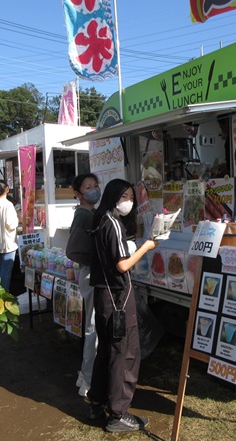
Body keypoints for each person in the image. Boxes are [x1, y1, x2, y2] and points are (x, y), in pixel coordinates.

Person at [86, 179, 157, 433]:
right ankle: (118, 413)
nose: (129, 201)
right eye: (125, 196)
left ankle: (96, 400)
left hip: (104, 296)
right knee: (124, 354)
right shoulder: (112, 223)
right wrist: (147, 247)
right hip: (117, 298)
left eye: (131, 196)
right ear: (114, 196)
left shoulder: (100, 220)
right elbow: (122, 265)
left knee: (107, 350)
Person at [66, 174, 101, 398]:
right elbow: (73, 251)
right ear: (79, 194)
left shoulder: (91, 213)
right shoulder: (83, 216)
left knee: (94, 327)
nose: (94, 190)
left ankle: (86, 375)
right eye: (88, 187)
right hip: (91, 275)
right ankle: (88, 379)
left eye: (95, 185)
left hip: (93, 274)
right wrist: (97, 261)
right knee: (93, 328)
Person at [0, 180, 18, 292]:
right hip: (8, 243)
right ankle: (2, 297)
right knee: (5, 272)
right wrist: (17, 219)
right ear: (6, 189)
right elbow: (11, 224)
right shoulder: (8, 205)